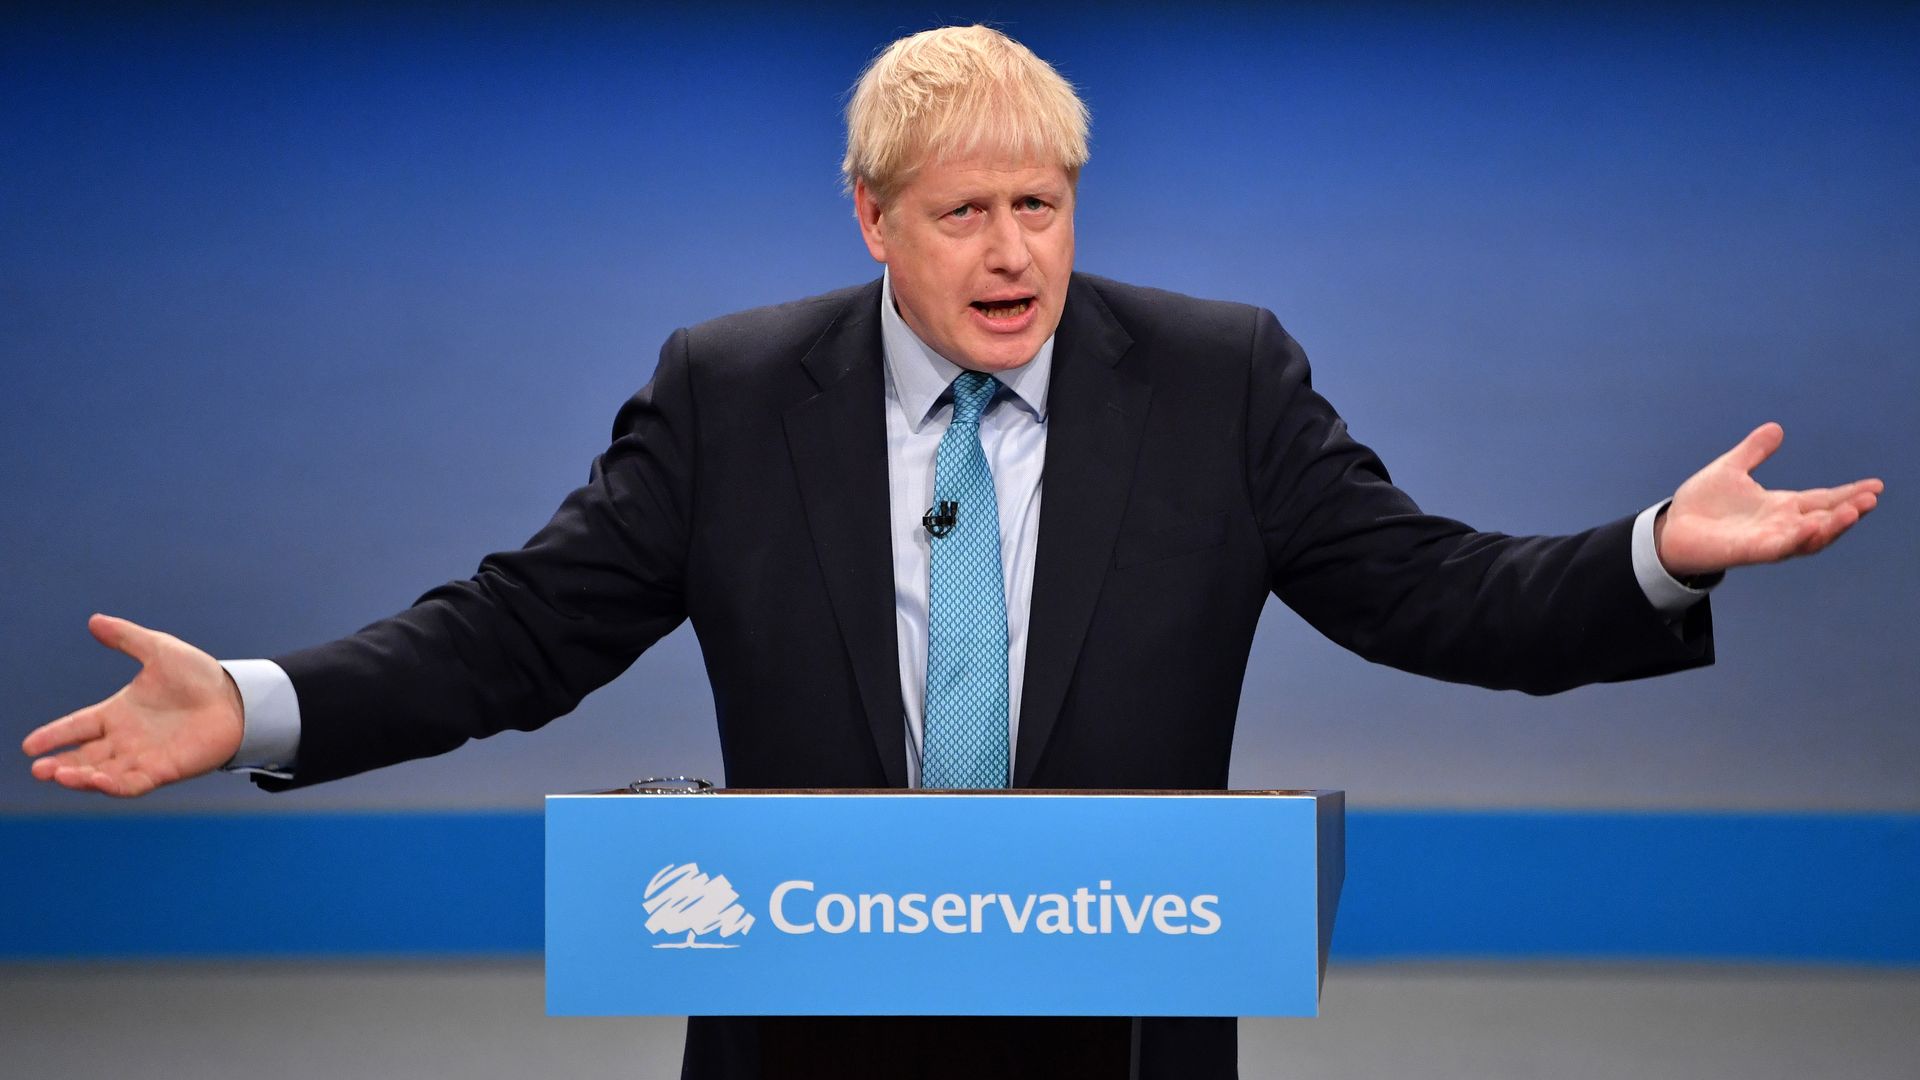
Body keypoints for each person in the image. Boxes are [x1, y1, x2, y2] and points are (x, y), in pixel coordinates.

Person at [20, 24, 1882, 1080]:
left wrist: (1657, 552)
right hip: (807, 1044)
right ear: (872, 219)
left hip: (1127, 1042)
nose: (1015, 255)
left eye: (1044, 207)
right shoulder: (732, 392)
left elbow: (1431, 591)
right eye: (968, 210)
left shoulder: (1223, 379)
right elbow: (518, 633)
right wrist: (259, 703)